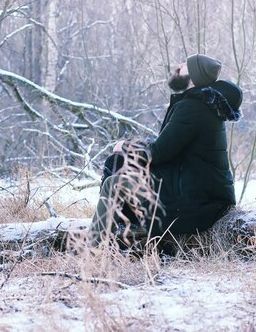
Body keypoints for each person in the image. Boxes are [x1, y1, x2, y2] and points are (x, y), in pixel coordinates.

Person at [90, 53, 243, 246]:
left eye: (185, 65)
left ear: (194, 77)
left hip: (199, 202)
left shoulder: (193, 107)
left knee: (114, 184)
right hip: (200, 192)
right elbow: (171, 147)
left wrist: (125, 146)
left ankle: (93, 249)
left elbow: (159, 153)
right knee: (119, 164)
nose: (179, 66)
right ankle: (120, 232)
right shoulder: (199, 105)